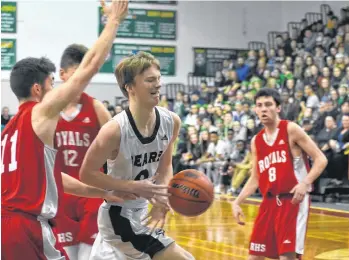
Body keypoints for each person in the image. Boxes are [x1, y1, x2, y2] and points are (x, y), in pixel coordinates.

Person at [1, 1, 168, 259]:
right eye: (51, 83)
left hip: (10, 224)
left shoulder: (8, 133)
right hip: (27, 226)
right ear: (37, 89)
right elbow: (88, 69)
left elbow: (58, 179)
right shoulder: (40, 113)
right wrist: (113, 21)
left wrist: (105, 192)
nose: (55, 88)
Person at [79, 51, 195, 260]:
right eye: (150, 80)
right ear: (130, 87)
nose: (158, 85)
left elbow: (165, 166)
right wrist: (132, 186)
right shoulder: (114, 130)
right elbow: (86, 174)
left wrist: (161, 201)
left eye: (158, 79)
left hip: (143, 212)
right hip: (118, 217)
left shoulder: (171, 121)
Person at [232, 88, 327, 260]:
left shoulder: (291, 129)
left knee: (287, 257)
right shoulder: (256, 141)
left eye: (268, 105)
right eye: (259, 105)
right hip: (268, 203)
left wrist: (305, 182)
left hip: (292, 200)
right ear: (255, 110)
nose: (263, 109)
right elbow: (256, 178)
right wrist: (237, 201)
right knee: (254, 255)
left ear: (278, 108)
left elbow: (321, 159)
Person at [52, 44, 111, 260]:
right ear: (62, 74)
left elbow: (117, 152)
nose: (81, 81)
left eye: (87, 75)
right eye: (77, 75)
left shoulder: (97, 108)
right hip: (59, 196)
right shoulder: (46, 110)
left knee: (90, 257)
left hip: (91, 196)